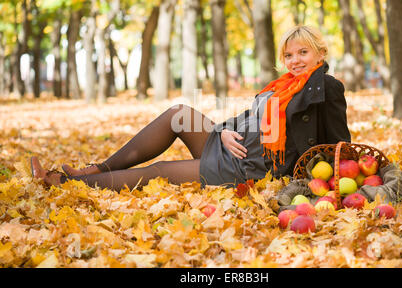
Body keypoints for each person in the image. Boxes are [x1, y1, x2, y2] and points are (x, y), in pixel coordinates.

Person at [31, 25, 351, 191]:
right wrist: (224, 131)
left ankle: (68, 184)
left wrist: (325, 182)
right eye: (289, 55)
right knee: (178, 115)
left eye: (303, 52)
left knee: (159, 173)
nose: (295, 61)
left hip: (251, 167)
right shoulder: (281, 87)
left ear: (320, 54)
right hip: (231, 144)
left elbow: (339, 145)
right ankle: (98, 169)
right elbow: (248, 119)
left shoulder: (325, 88)